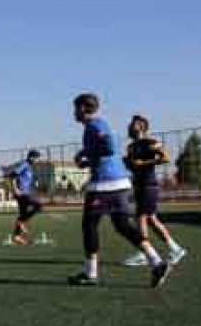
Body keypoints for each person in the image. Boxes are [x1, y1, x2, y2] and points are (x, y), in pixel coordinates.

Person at [67, 93, 170, 288]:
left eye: (75, 108)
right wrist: (86, 159)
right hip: (119, 182)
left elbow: (109, 145)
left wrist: (87, 154)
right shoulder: (97, 125)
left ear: (82, 108)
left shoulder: (95, 125)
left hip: (104, 184)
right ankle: (156, 262)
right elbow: (103, 151)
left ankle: (90, 274)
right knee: (122, 225)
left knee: (89, 225)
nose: (73, 113)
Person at [121, 115, 188, 267]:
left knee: (141, 217)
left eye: (132, 124)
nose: (129, 127)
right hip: (138, 185)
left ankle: (144, 253)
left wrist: (144, 162)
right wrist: (127, 163)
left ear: (141, 126)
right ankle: (175, 249)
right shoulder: (130, 147)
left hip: (148, 185)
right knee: (151, 219)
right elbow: (133, 166)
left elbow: (165, 158)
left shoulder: (150, 143)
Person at [8, 150, 43, 245]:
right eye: (37, 158)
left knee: (23, 214)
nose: (38, 160)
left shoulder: (30, 167)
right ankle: (20, 222)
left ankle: (17, 236)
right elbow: (12, 176)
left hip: (25, 193)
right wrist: (15, 189)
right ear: (31, 157)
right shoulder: (24, 164)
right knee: (38, 205)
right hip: (22, 194)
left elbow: (24, 179)